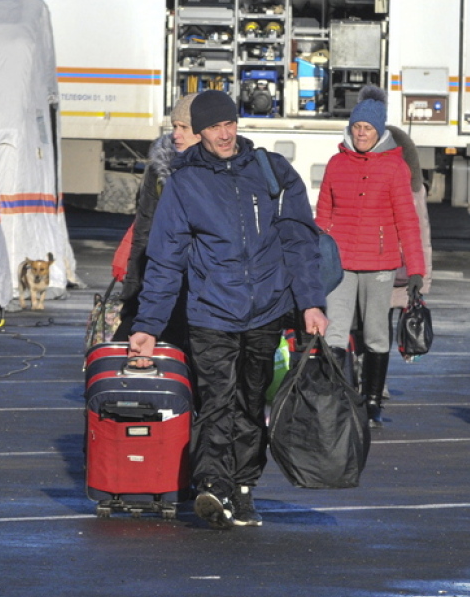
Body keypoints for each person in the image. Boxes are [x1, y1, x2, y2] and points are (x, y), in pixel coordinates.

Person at [128, 90, 329, 529]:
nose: (225, 133)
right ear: (198, 132)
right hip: (211, 313)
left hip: (266, 310)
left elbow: (300, 241)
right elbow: (165, 260)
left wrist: (311, 302)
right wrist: (148, 324)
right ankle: (212, 485)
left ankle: (242, 488)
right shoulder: (185, 183)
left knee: (251, 403)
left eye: (230, 124)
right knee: (217, 402)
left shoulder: (272, 171)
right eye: (215, 127)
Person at [315, 86, 425, 428]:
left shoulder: (395, 168)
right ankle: (335, 396)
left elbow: (408, 221)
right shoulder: (336, 164)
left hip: (380, 265)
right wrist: (314, 258)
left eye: (368, 129)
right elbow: (322, 217)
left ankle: (373, 401)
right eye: (357, 127)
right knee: (334, 334)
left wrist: (417, 271)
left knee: (376, 334)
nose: (361, 134)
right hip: (342, 265)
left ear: (380, 132)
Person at [112, 93, 199, 347]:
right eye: (174, 126)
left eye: (184, 127)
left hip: (203, 291)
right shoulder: (160, 168)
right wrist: (132, 292)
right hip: (160, 279)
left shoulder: (223, 172)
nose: (176, 134)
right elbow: (143, 230)